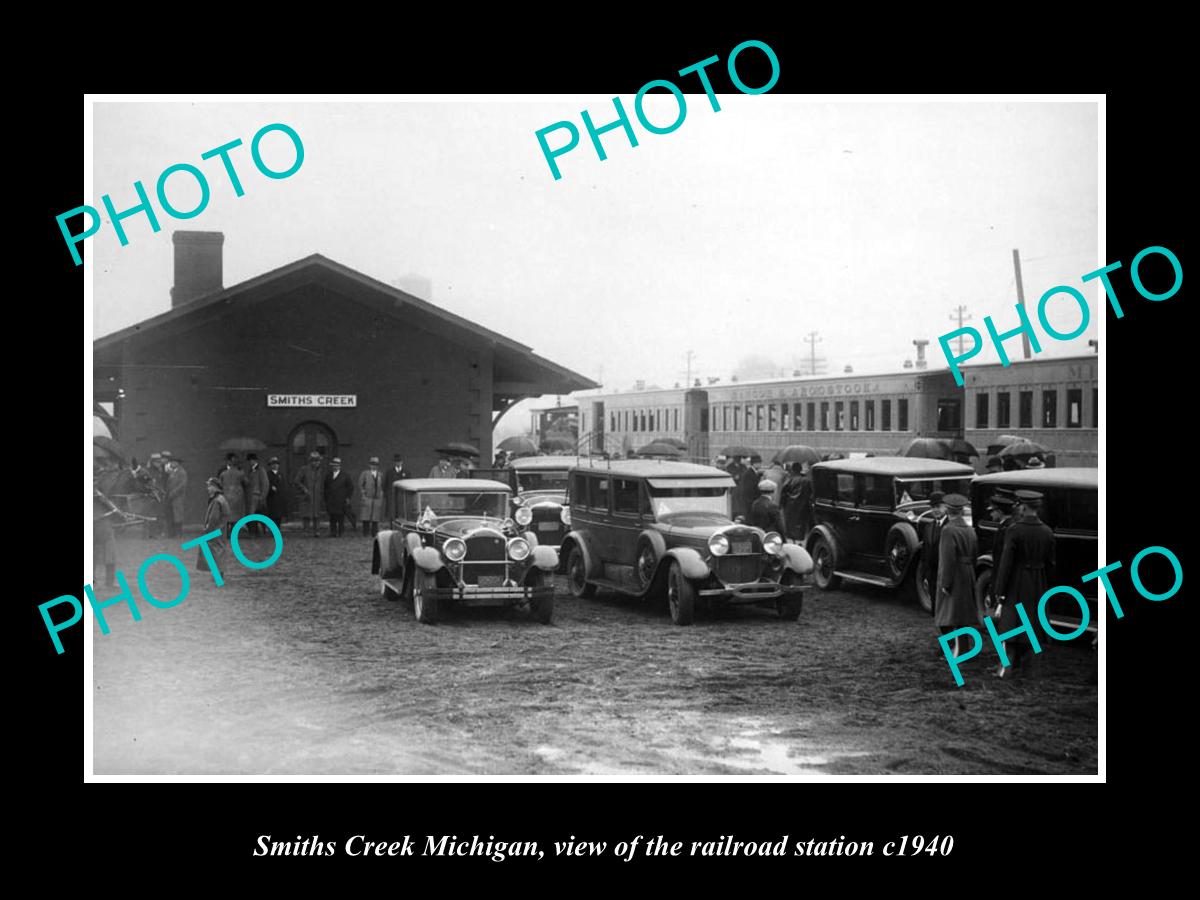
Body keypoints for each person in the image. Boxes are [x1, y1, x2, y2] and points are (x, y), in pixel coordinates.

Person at [993, 489, 1056, 679]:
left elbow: (1006, 564)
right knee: (1034, 625)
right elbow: (1051, 563)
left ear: (1023, 506)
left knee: (1010, 625)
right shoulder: (1047, 531)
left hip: (1017, 582)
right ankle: (1032, 671)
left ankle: (1006, 669)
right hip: (1038, 582)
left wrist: (1000, 592)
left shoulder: (1014, 530)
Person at [935, 493, 981, 657]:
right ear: (961, 511)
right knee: (963, 614)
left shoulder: (948, 530)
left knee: (949, 614)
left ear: (948, 510)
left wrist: (945, 583)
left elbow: (948, 559)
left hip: (954, 575)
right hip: (967, 573)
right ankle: (964, 648)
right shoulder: (970, 530)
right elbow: (975, 555)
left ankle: (955, 651)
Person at [918, 491, 948, 614]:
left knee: (947, 609)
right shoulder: (929, 527)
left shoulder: (950, 527)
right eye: (933, 507)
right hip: (932, 575)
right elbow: (925, 552)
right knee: (936, 608)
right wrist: (925, 574)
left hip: (945, 574)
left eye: (938, 506)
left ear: (945, 507)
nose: (935, 510)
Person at [198, 476, 232, 574]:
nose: (207, 488)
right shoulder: (222, 499)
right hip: (221, 529)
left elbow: (213, 518)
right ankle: (218, 572)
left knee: (215, 550)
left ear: (215, 487)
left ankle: (218, 573)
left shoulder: (217, 501)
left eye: (209, 486)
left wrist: (207, 530)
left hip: (215, 530)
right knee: (219, 549)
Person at [293, 451, 326, 536]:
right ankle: (306, 530)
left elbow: (323, 483)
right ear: (310, 461)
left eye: (318, 461)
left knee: (316, 514)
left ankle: (317, 531)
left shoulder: (321, 470)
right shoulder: (304, 469)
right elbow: (297, 481)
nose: (316, 463)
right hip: (306, 495)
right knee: (306, 514)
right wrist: (304, 489)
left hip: (317, 495)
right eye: (314, 461)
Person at [216, 453, 248, 536]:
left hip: (226, 494)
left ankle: (226, 531)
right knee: (236, 514)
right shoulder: (240, 473)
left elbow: (219, 484)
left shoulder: (223, 473)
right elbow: (247, 483)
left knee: (227, 513)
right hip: (237, 495)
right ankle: (234, 531)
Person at [323, 457, 354, 537]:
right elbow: (325, 487)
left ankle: (341, 532)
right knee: (332, 517)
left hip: (341, 499)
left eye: (336, 465)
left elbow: (350, 487)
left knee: (340, 517)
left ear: (339, 466)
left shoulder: (345, 475)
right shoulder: (328, 475)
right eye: (333, 465)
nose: (335, 467)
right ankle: (333, 532)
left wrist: (347, 497)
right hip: (331, 499)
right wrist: (326, 498)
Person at [358, 456, 386, 537]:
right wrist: (363, 493)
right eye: (372, 464)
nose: (374, 466)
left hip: (377, 498)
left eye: (376, 465)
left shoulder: (380, 474)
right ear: (369, 465)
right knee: (366, 516)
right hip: (367, 497)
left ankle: (374, 533)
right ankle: (365, 533)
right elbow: (360, 484)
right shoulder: (365, 473)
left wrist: (381, 494)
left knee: (375, 517)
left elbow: (382, 486)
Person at [244, 452, 270, 535]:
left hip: (257, 496)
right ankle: (254, 532)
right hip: (250, 497)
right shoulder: (250, 470)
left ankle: (258, 532)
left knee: (257, 515)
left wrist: (262, 497)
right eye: (249, 461)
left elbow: (265, 484)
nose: (249, 463)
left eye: (251, 461)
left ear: (254, 461)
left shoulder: (261, 470)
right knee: (251, 515)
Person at [164, 456, 188, 538]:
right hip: (171, 497)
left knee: (178, 515)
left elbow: (182, 485)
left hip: (178, 497)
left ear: (178, 463)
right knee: (171, 515)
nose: (172, 464)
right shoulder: (172, 472)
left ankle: (179, 534)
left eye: (174, 462)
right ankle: (172, 533)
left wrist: (173, 493)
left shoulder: (182, 472)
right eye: (171, 462)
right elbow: (169, 485)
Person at [383, 454, 412, 522]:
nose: (398, 463)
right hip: (392, 497)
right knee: (392, 514)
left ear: (402, 462)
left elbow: (409, 484)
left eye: (399, 461)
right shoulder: (389, 472)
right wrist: (386, 495)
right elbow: (385, 484)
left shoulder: (407, 472)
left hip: (402, 497)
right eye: (396, 462)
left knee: (402, 513)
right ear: (394, 463)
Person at [265, 456, 288, 528]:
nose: (275, 465)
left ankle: (278, 528)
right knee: (272, 514)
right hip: (271, 497)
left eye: (277, 464)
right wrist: (271, 487)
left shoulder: (280, 474)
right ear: (270, 465)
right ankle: (273, 528)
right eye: (273, 464)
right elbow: (266, 484)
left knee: (279, 515)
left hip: (280, 498)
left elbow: (283, 485)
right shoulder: (268, 474)